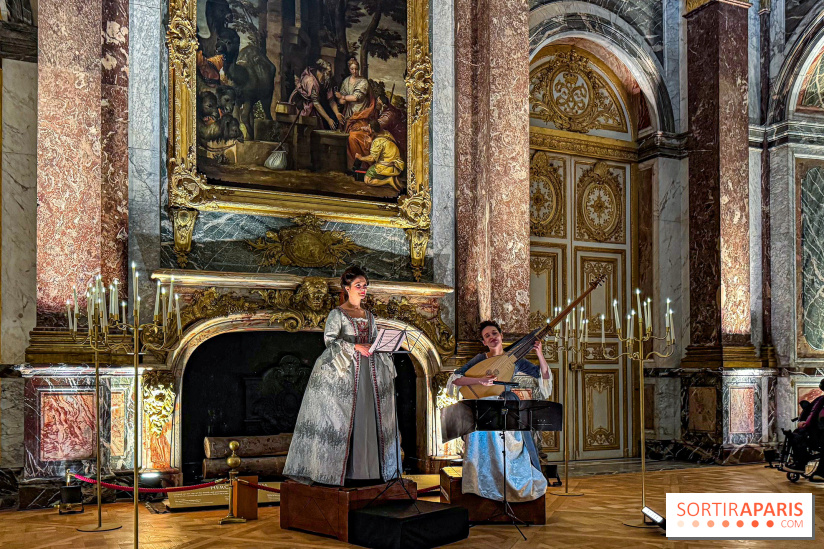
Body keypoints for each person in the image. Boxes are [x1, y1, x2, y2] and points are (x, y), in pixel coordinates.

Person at [284, 266, 402, 486]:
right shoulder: (337, 313)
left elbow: (375, 339)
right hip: (345, 372)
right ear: (347, 288)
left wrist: (382, 345)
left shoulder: (369, 315)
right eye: (358, 285)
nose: (363, 289)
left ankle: (371, 471)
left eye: (365, 285)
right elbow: (330, 340)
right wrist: (356, 346)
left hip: (370, 372)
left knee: (369, 416)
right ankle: (345, 472)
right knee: (345, 419)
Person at [446, 320, 552, 502]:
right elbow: (455, 379)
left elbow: (543, 376)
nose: (492, 337)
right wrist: (480, 381)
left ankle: (509, 486)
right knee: (480, 434)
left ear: (501, 336)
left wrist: (539, 354)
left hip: (506, 409)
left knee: (505, 440)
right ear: (484, 342)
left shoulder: (515, 360)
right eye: (487, 336)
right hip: (483, 408)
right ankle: (483, 487)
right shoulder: (480, 359)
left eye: (494, 333)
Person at [289, 59, 342, 131]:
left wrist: (337, 113)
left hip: (315, 105)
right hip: (302, 105)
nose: (330, 74)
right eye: (328, 72)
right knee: (309, 127)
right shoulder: (311, 81)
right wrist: (328, 119)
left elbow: (331, 99)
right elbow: (315, 102)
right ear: (322, 71)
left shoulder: (327, 80)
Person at [786, 379, 824, 474]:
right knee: (795, 435)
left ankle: (802, 464)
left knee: (800, 437)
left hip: (820, 434)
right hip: (815, 431)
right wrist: (803, 422)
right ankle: (799, 464)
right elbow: (810, 411)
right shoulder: (820, 399)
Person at [355, 120, 405, 191]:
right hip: (397, 165)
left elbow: (372, 158)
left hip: (386, 167)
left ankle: (389, 180)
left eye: (369, 128)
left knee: (367, 180)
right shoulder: (386, 133)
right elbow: (384, 146)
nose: (368, 130)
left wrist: (360, 158)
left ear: (372, 130)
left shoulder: (377, 142)